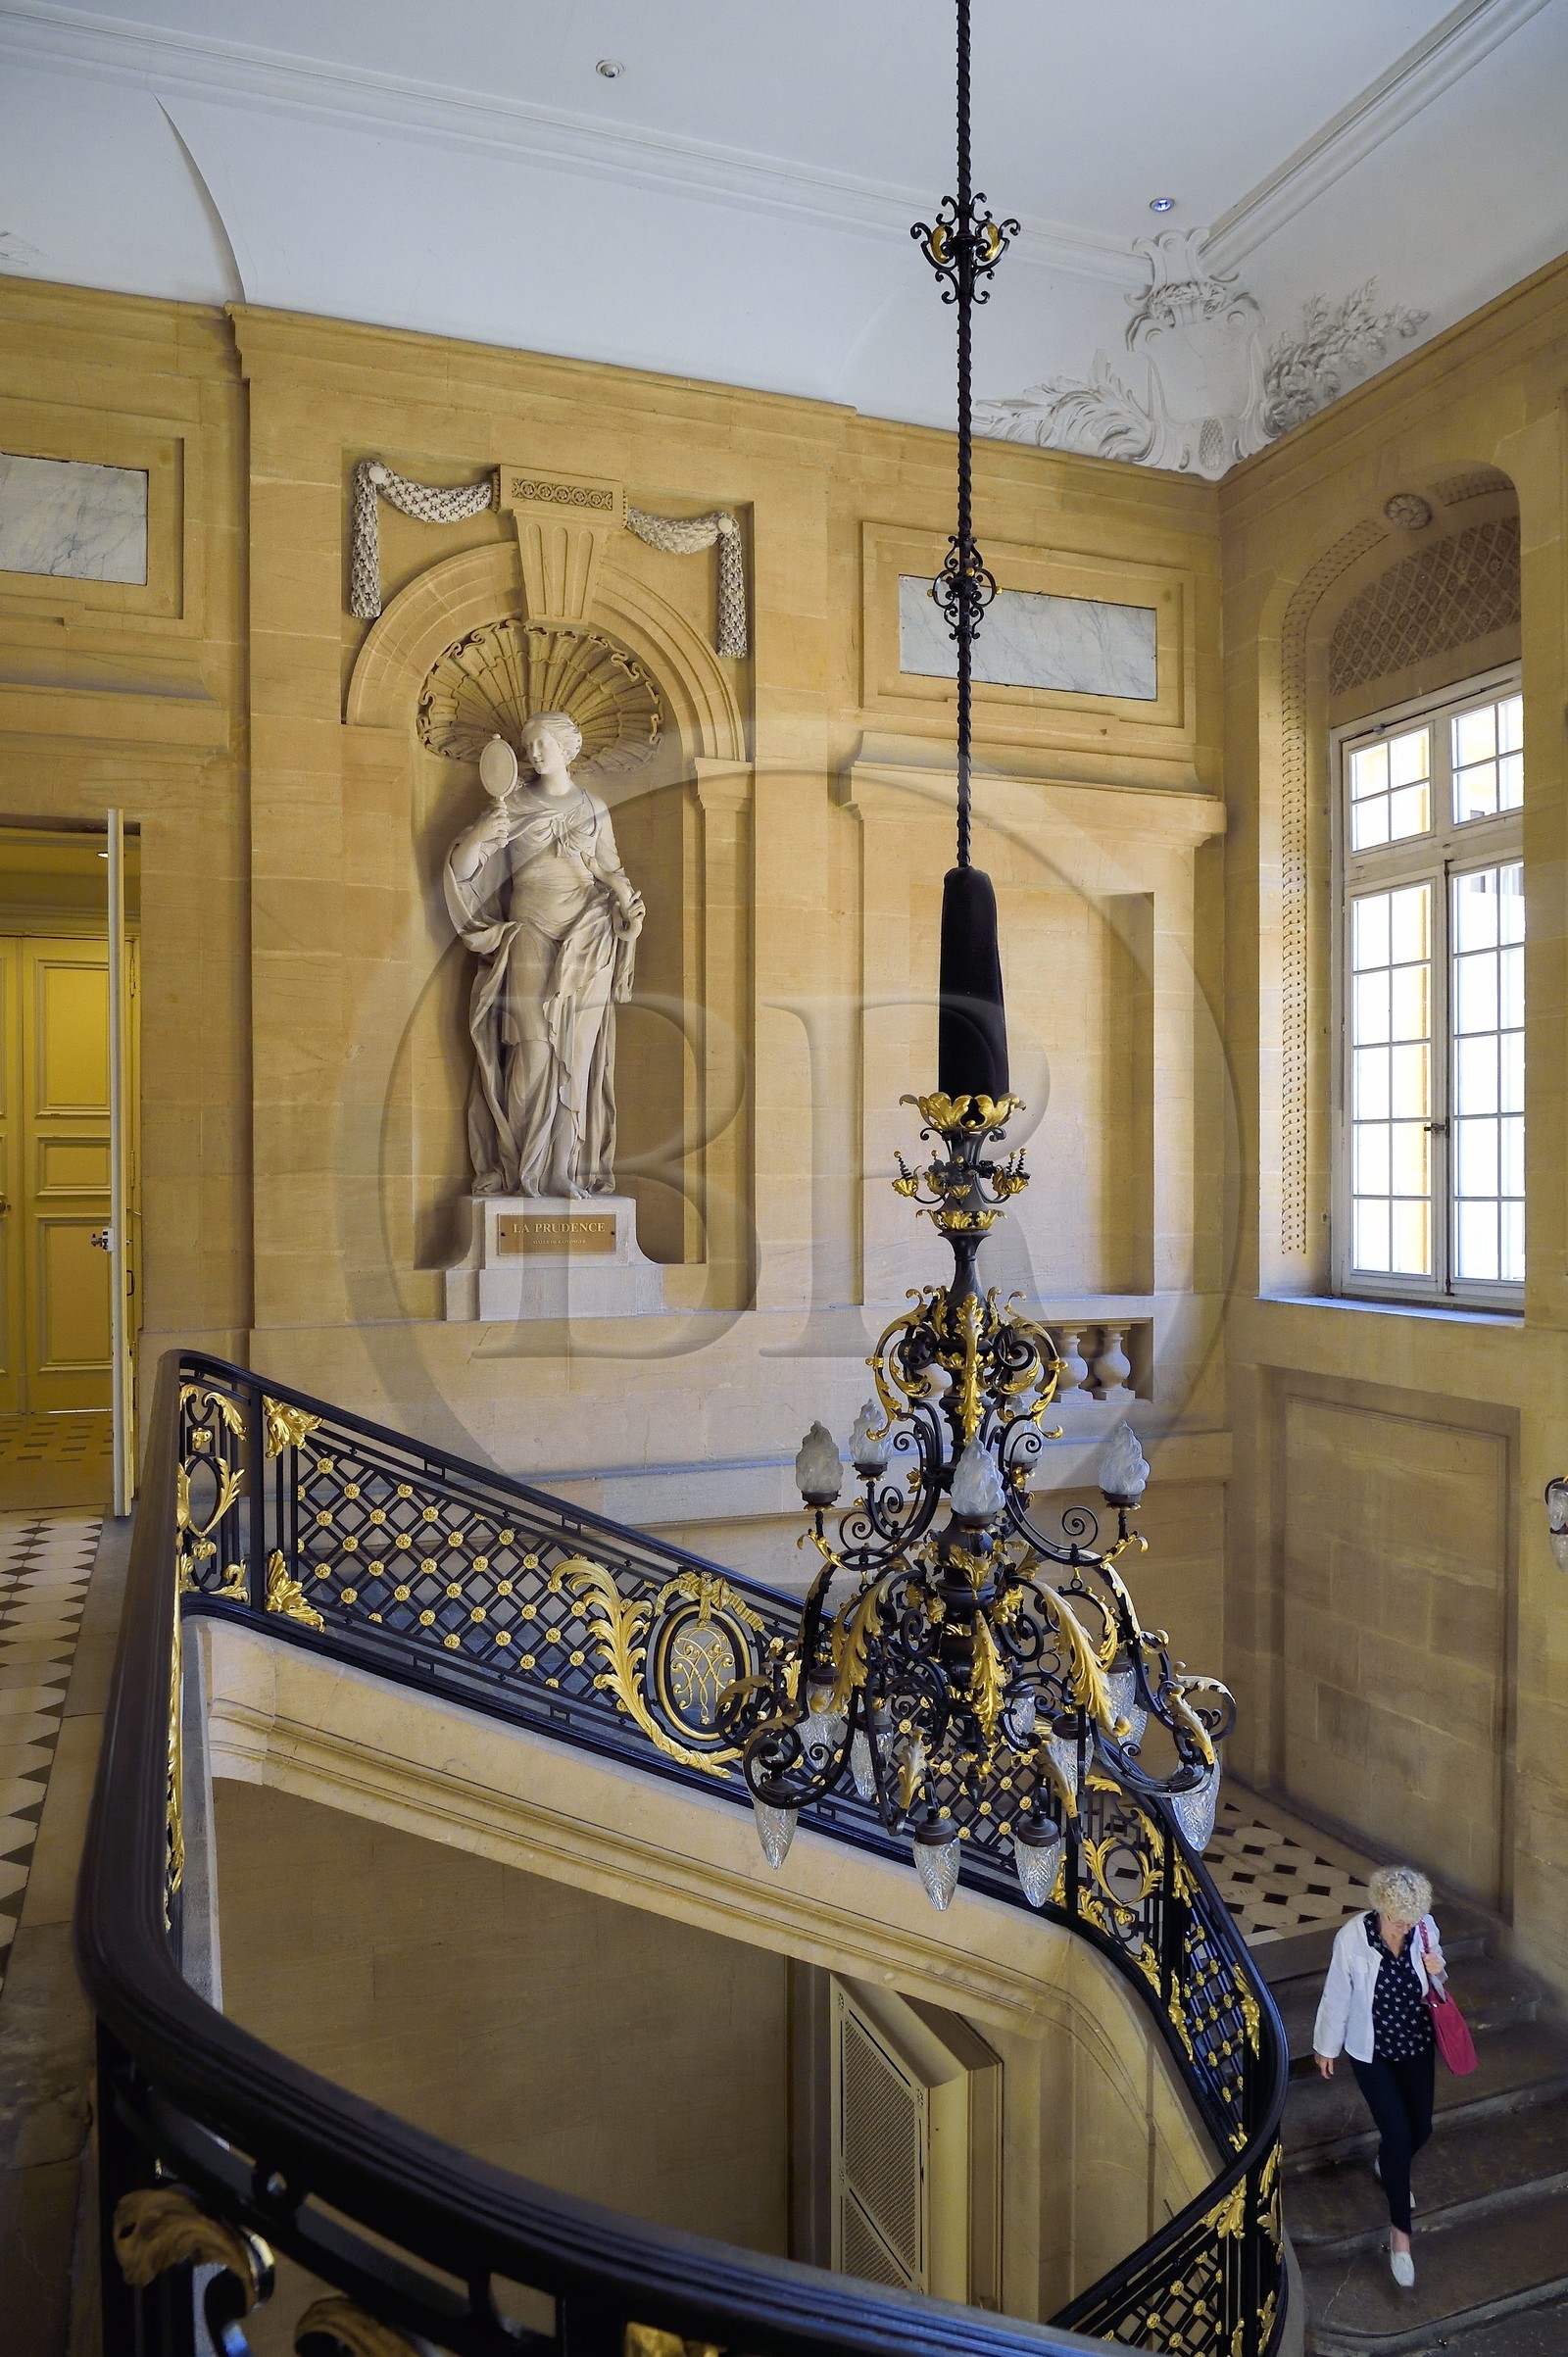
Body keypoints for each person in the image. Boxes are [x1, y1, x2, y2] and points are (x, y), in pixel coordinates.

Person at [444, 715, 645, 1199]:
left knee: (575, 1056)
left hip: (588, 937)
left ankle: (561, 1169)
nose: (534, 753)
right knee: (533, 1050)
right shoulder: (511, 805)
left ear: (567, 748)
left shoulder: (594, 810)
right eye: (528, 747)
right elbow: (463, 870)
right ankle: (522, 1170)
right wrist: (477, 836)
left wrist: (629, 918)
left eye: (542, 744)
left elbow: (614, 878)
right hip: (531, 929)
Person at [1312, 1864, 1446, 2288]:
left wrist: (1437, 1967)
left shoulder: (1423, 1929)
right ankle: (1401, 2239)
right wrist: (1326, 2046)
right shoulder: (1353, 1938)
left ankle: (1389, 2165)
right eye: (1397, 1919)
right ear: (1381, 1909)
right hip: (1372, 2054)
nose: (1403, 1927)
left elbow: (1439, 1985)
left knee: (1420, 2129)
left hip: (1417, 2047)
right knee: (1400, 2136)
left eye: (1409, 1920)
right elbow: (1337, 1993)